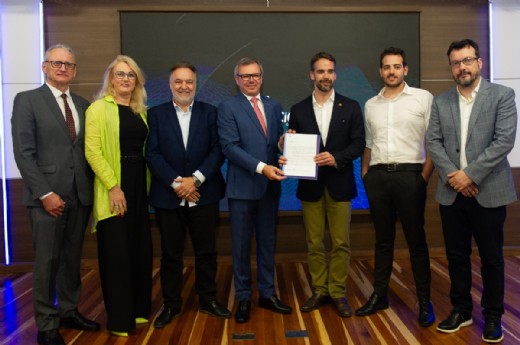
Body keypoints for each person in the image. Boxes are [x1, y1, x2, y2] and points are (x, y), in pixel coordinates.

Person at [427, 39, 517, 343]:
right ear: (451, 67)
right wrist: (456, 177)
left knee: (492, 258)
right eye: (455, 62)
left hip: (489, 191)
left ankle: (493, 317)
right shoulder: (441, 101)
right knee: (456, 256)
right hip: (452, 192)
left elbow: (503, 142)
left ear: (479, 63)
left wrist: (470, 175)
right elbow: (434, 142)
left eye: (467, 60)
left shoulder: (502, 96)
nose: (461, 67)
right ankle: (461, 310)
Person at [11, 44, 99, 345]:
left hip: (79, 195)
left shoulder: (83, 104)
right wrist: (45, 193)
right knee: (46, 262)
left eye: (68, 65)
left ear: (74, 71)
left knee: (71, 260)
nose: (63, 68)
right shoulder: (27, 101)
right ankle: (47, 324)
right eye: (56, 63)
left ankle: (69, 311)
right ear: (44, 66)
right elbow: (24, 153)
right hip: (46, 198)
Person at [145, 61, 231, 327]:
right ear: (170, 84)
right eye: (178, 81)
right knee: (171, 254)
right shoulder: (154, 115)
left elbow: (218, 150)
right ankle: (171, 304)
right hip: (167, 196)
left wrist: (194, 180)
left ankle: (208, 299)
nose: (184, 86)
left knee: (206, 251)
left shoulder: (211, 113)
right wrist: (177, 184)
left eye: (189, 81)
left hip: (204, 193)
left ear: (196, 84)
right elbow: (152, 153)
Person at [279, 52, 365, 317]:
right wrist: (285, 143)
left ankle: (337, 292)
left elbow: (359, 144)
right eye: (320, 71)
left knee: (340, 242)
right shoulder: (298, 109)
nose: (325, 76)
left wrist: (336, 157)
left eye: (329, 71)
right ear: (311, 75)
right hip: (310, 187)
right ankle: (319, 289)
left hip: (340, 184)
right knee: (314, 242)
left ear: (335, 75)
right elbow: (291, 144)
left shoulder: (350, 106)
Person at [355, 47, 436, 327]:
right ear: (380, 71)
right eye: (386, 67)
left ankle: (425, 301)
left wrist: (423, 177)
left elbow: (434, 141)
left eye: (397, 66)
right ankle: (379, 295)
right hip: (378, 178)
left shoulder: (423, 98)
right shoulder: (371, 104)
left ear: (405, 70)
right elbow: (368, 144)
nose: (391, 71)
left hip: (411, 176)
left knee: (417, 242)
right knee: (383, 241)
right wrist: (366, 174)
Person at [217, 57, 292, 323]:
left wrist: (285, 147)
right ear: (237, 79)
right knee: (240, 248)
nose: (251, 79)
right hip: (242, 190)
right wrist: (262, 167)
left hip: (270, 190)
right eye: (245, 76)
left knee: (267, 244)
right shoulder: (227, 108)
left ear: (262, 76)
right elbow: (230, 147)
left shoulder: (274, 105)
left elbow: (272, 145)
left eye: (255, 75)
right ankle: (245, 297)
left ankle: (268, 294)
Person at [85, 55, 153, 337]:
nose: (126, 79)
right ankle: (119, 319)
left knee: (139, 250)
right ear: (110, 78)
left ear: (137, 81)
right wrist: (113, 186)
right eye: (120, 74)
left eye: (131, 75)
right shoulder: (98, 109)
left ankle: (138, 310)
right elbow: (92, 151)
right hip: (113, 187)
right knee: (117, 255)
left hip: (139, 185)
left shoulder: (141, 110)